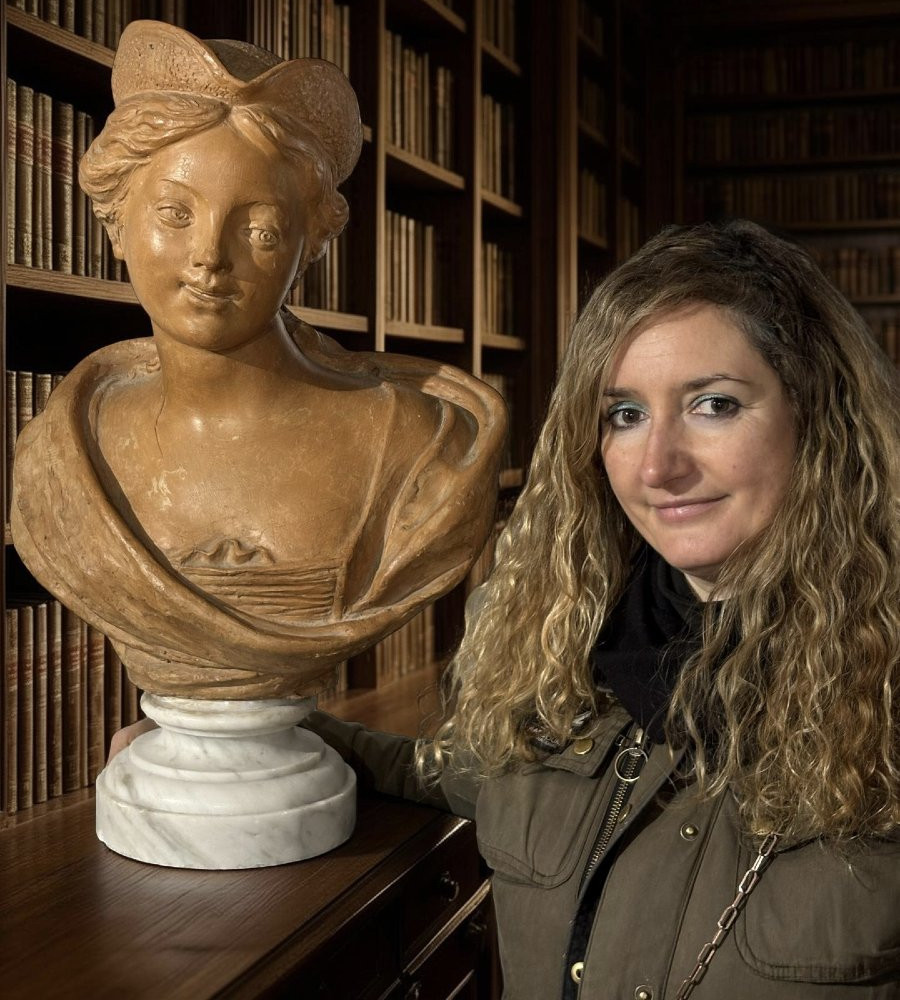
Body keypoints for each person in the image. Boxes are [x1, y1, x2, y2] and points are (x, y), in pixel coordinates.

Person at [300, 219, 900, 998]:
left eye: (714, 404)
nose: (658, 465)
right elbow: (462, 772)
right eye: (625, 414)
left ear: (818, 417)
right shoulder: (555, 643)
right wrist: (247, 733)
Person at [12, 20, 505, 700]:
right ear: (118, 221)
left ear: (310, 245)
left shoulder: (412, 443)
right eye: (175, 213)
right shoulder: (65, 450)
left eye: (259, 229)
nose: (210, 255)